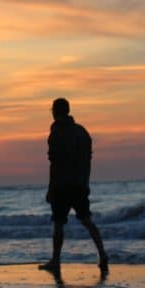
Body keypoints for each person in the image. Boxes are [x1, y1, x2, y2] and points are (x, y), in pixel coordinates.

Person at [39, 97, 108, 275]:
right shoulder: (82, 132)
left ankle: (55, 260)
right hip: (79, 184)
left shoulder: (56, 133)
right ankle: (102, 255)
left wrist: (50, 188)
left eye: (53, 110)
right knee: (86, 220)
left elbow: (55, 163)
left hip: (62, 185)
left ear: (56, 111)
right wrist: (85, 182)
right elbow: (88, 160)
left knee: (58, 223)